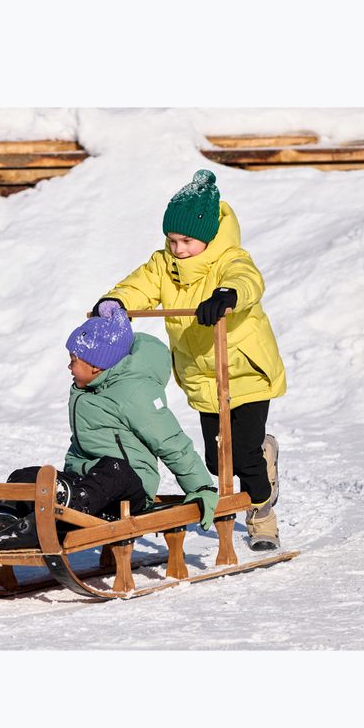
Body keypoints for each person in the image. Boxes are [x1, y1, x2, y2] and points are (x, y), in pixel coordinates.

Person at [91, 169, 286, 550]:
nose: (178, 249)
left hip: (244, 371)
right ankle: (261, 456)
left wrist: (227, 295)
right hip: (202, 377)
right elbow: (139, 285)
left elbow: (248, 280)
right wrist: (116, 301)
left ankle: (262, 519)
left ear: (208, 237)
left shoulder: (230, 259)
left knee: (244, 457)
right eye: (172, 240)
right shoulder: (163, 265)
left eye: (187, 241)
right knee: (217, 462)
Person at [7, 307, 218, 530]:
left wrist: (201, 487)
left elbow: (170, 441)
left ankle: (68, 507)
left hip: (129, 487)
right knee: (28, 476)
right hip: (87, 482)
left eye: (73, 360)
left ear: (96, 365)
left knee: (114, 468)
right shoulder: (85, 392)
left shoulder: (134, 392)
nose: (69, 367)